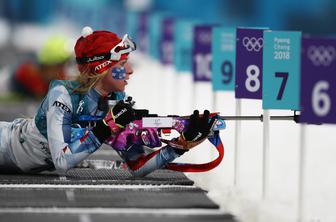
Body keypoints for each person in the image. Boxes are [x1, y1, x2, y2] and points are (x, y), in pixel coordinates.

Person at [0, 26, 215, 176]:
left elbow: (138, 166)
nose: (129, 70)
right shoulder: (62, 94)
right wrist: (107, 127)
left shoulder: (115, 101)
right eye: (122, 64)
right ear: (101, 68)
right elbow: (62, 161)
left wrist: (181, 144)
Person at [9, 35, 72, 99]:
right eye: (59, 65)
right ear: (47, 65)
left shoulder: (62, 80)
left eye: (64, 65)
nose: (62, 70)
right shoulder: (26, 73)